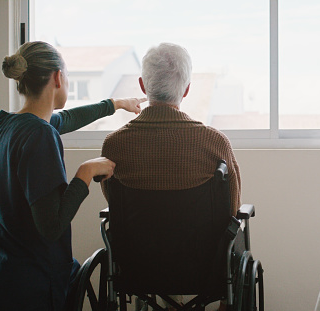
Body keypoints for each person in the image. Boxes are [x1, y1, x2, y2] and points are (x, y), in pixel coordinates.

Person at [0, 41, 145, 311]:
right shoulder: (39, 135)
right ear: (58, 77)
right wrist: (86, 171)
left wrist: (116, 104)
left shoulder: (2, 125)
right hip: (25, 289)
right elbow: (52, 227)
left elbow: (66, 119)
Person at [100, 42, 240, 311]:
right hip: (202, 268)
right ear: (187, 89)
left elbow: (112, 197)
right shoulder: (214, 143)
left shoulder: (114, 145)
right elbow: (231, 208)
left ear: (142, 85)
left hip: (138, 267)